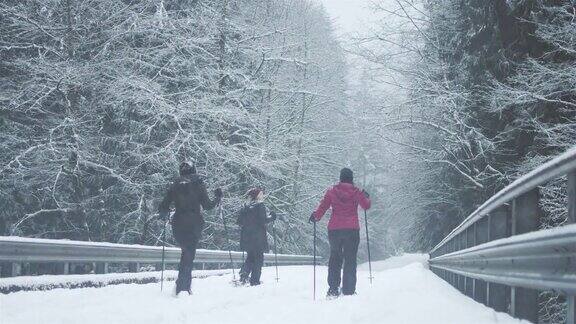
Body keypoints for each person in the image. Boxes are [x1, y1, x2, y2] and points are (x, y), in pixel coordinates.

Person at [159, 162, 223, 296]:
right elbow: (207, 205)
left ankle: (182, 285)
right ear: (193, 170)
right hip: (194, 223)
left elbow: (164, 205)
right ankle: (183, 287)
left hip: (178, 223)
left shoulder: (175, 185)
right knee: (188, 255)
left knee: (185, 253)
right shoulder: (198, 182)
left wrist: (164, 212)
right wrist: (217, 197)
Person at [310, 167, 371, 298]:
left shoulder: (332, 191)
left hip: (335, 230)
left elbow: (323, 207)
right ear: (351, 178)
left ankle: (333, 289)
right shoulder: (356, 192)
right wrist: (366, 197)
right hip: (352, 230)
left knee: (335, 258)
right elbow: (366, 206)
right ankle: (349, 290)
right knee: (350, 259)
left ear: (340, 178)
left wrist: (316, 216)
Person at [236, 188, 276, 286]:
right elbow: (263, 220)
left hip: (246, 237)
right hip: (257, 237)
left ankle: (244, 272)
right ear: (257, 196)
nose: (262, 196)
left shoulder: (245, 206)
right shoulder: (260, 206)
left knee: (250, 257)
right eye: (261, 194)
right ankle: (255, 280)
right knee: (258, 258)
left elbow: (239, 221)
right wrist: (272, 217)